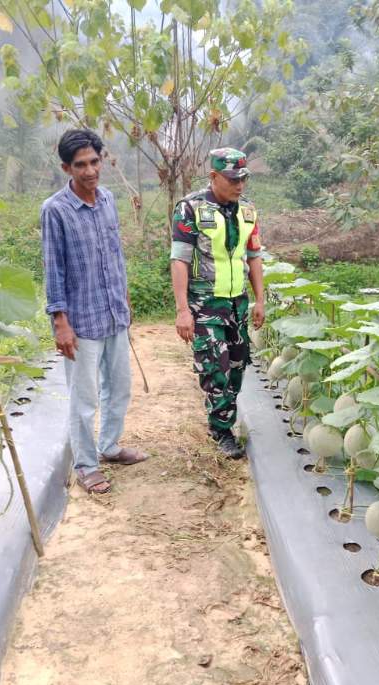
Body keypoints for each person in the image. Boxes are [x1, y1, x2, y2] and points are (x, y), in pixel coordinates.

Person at [42, 129, 148, 494]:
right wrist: (60, 322)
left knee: (119, 388)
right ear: (66, 168)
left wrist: (126, 297)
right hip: (81, 321)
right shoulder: (55, 210)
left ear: (102, 160)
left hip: (114, 313)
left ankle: (110, 446)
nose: (89, 171)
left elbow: (114, 255)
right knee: (83, 400)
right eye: (80, 165)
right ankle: (86, 464)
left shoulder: (108, 200)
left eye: (94, 162)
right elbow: (53, 268)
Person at [170, 148, 265, 459]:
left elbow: (253, 257)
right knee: (216, 368)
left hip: (237, 303)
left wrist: (259, 300)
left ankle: (225, 418)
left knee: (237, 366)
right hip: (205, 304)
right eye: (232, 179)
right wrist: (183, 310)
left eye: (243, 180)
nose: (239, 186)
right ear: (213, 177)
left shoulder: (248, 211)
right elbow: (180, 260)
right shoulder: (190, 208)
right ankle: (220, 430)